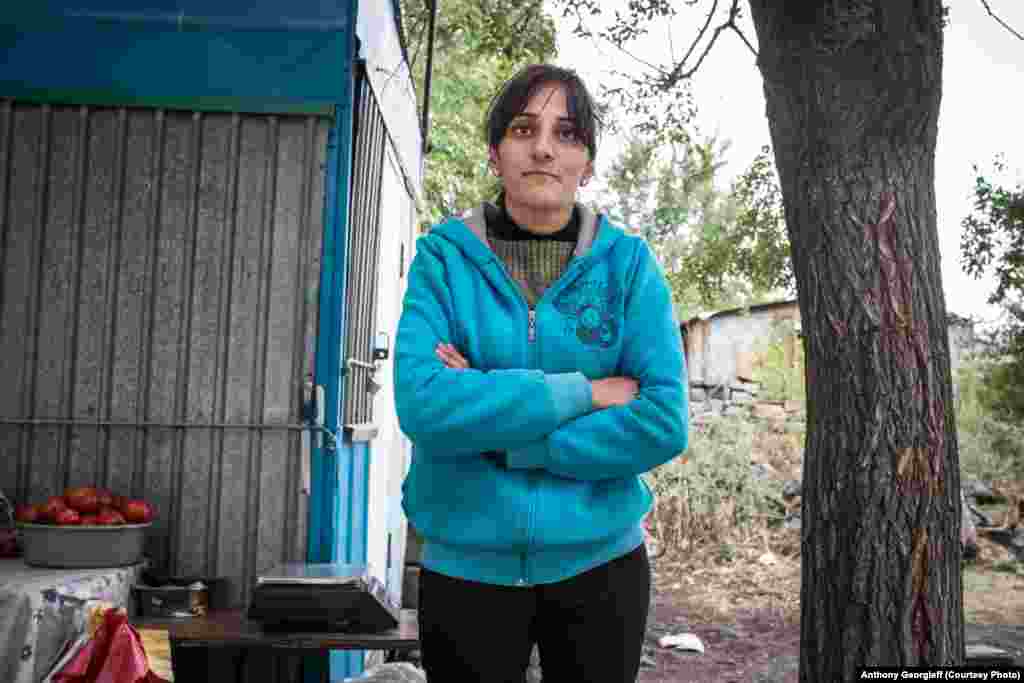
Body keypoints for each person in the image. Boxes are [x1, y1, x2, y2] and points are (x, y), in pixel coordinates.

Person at [394, 63, 689, 683]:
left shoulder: (629, 268)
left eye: (567, 133)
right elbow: (423, 405)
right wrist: (588, 392)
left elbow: (662, 422)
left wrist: (505, 434)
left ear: (588, 162)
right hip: (464, 566)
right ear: (495, 152)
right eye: (524, 128)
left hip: (601, 565)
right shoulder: (443, 261)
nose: (545, 147)